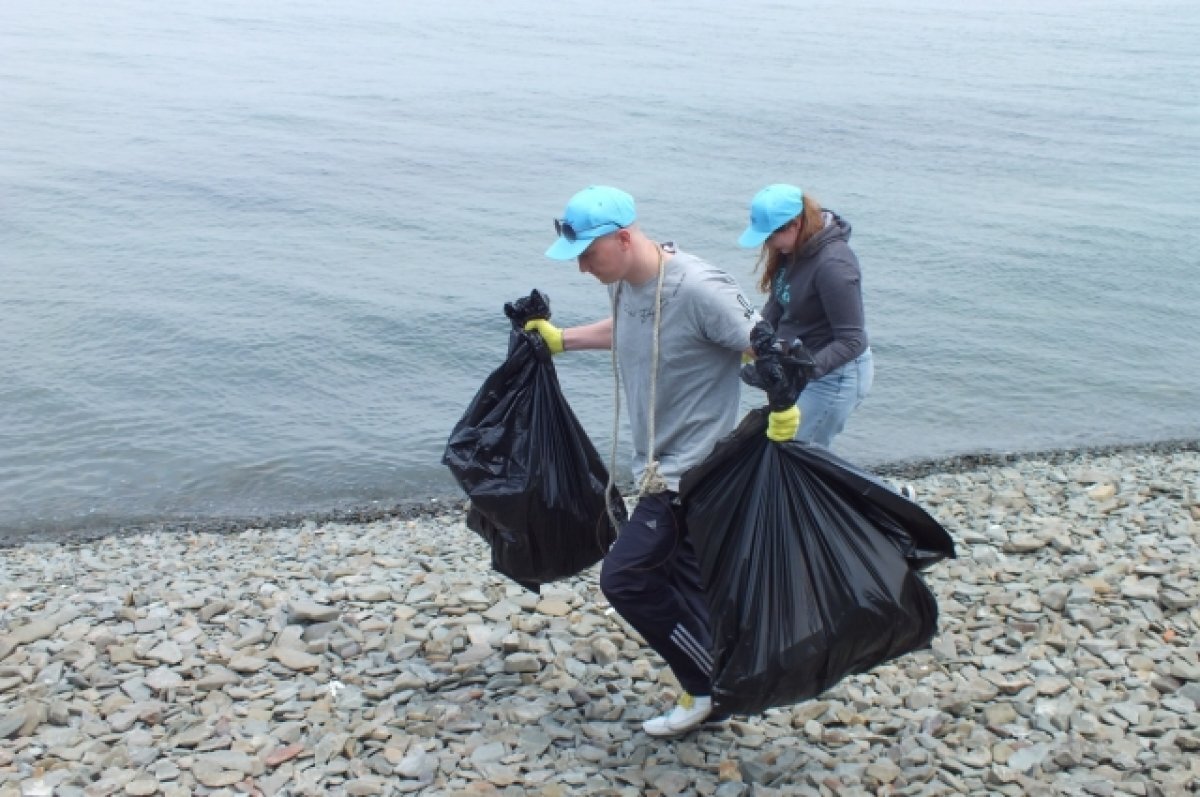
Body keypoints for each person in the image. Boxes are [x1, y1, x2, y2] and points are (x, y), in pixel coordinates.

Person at [523, 185, 796, 737]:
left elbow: (763, 346)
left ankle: (704, 688)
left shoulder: (698, 288)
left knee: (625, 580)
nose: (580, 270)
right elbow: (630, 331)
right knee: (689, 581)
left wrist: (785, 407)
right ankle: (733, 671)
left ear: (624, 238)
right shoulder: (628, 283)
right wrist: (561, 341)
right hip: (654, 466)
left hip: (689, 474)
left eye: (587, 255)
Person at [737, 183, 874, 450]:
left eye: (769, 236)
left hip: (834, 377)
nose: (767, 244)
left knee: (797, 456)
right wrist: (758, 341)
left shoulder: (834, 265)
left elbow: (852, 340)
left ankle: (889, 493)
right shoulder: (792, 251)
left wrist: (801, 373)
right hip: (801, 367)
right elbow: (778, 302)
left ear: (795, 224)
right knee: (779, 449)